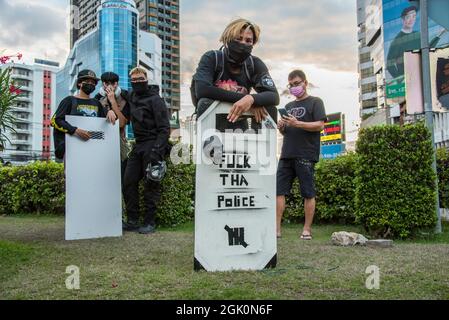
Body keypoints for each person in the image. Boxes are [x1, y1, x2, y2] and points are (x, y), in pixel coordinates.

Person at [191, 18, 279, 127]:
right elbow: (202, 90)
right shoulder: (212, 58)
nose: (243, 44)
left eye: (248, 41)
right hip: (209, 126)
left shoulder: (254, 64)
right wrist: (247, 101)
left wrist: (252, 99)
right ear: (227, 39)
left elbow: (274, 96)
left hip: (240, 128)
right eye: (238, 39)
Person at [276, 70, 327, 240]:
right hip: (286, 154)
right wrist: (283, 127)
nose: (294, 87)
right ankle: (276, 230)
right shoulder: (289, 107)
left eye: (297, 83)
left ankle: (307, 230)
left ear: (305, 82)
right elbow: (288, 132)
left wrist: (297, 123)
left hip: (306, 154)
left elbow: (320, 125)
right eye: (291, 85)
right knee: (279, 191)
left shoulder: (315, 102)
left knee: (308, 193)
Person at [122, 67, 170, 235]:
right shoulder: (132, 96)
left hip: (153, 143)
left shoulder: (155, 100)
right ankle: (133, 220)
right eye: (133, 80)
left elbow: (165, 128)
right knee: (128, 181)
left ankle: (149, 222)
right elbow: (121, 92)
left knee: (151, 184)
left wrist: (157, 151)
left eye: (140, 79)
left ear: (146, 79)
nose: (137, 82)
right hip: (138, 144)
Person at [51, 69, 116, 160]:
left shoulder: (97, 103)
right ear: (79, 84)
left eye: (93, 82)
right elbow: (55, 120)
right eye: (87, 81)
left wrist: (110, 111)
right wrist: (75, 130)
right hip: (71, 150)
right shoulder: (69, 100)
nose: (91, 84)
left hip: (93, 149)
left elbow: (104, 123)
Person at [387, 5, 446, 80]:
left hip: (423, 75)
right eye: (408, 17)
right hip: (409, 81)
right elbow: (389, 65)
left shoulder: (418, 35)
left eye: (414, 16)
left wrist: (439, 34)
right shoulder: (397, 41)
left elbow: (427, 49)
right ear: (403, 19)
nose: (411, 19)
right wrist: (400, 79)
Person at [94, 72, 130, 184]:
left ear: (117, 84)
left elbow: (122, 123)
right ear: (103, 84)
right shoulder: (97, 98)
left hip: (120, 144)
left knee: (122, 178)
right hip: (101, 143)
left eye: (113, 83)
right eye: (106, 83)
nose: (109, 86)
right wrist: (108, 110)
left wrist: (113, 102)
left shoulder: (125, 97)